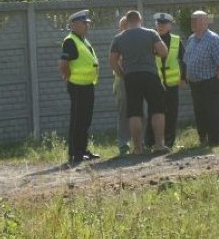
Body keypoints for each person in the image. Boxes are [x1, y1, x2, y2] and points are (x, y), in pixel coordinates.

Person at [109, 10, 169, 155]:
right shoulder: (150, 33)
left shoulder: (118, 38)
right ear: (140, 19)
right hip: (150, 75)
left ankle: (137, 148)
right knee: (157, 110)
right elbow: (163, 52)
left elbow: (112, 60)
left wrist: (122, 74)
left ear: (127, 21)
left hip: (131, 77)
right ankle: (159, 145)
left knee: (134, 112)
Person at [58, 9, 100, 165]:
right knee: (78, 120)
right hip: (77, 86)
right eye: (84, 23)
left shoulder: (82, 40)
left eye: (87, 23)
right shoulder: (70, 41)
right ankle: (75, 152)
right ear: (74, 24)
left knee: (85, 119)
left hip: (87, 85)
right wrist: (69, 77)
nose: (87, 26)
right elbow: (63, 65)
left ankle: (83, 150)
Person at [183, 10, 219, 147]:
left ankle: (215, 140)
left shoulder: (214, 39)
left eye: (196, 20)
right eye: (192, 19)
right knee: (199, 112)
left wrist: (217, 81)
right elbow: (187, 60)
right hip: (195, 84)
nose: (193, 22)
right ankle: (203, 138)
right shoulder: (191, 39)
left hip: (209, 82)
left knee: (212, 112)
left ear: (205, 22)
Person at [145, 12, 185, 149]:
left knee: (171, 113)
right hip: (154, 84)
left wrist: (184, 78)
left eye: (164, 24)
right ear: (155, 25)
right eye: (159, 24)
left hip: (172, 84)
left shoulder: (176, 40)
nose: (161, 26)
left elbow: (184, 60)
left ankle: (169, 142)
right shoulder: (150, 40)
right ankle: (150, 142)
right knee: (153, 113)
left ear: (170, 26)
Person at [111, 16, 132, 155]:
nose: (123, 29)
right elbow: (114, 61)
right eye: (122, 27)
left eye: (126, 26)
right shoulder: (118, 40)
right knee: (123, 112)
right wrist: (123, 76)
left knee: (142, 111)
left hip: (137, 79)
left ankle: (140, 142)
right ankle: (123, 143)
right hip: (122, 80)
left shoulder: (138, 39)